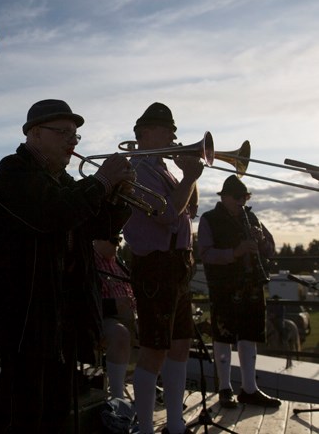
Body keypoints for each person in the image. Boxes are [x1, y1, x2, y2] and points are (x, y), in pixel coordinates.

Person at [0, 99, 133, 433]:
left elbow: (99, 225)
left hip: (60, 318)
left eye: (76, 135)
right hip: (25, 316)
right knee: (20, 412)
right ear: (35, 134)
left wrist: (120, 196)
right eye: (63, 132)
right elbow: (50, 215)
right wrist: (102, 183)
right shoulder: (13, 169)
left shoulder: (63, 181)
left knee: (56, 412)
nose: (73, 141)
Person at [122, 102, 204, 434]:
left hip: (177, 264)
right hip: (156, 266)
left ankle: (174, 423)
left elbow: (190, 208)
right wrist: (188, 177)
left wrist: (190, 178)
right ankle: (144, 427)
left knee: (180, 343)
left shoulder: (161, 168)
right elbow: (168, 214)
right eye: (166, 129)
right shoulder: (138, 170)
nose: (174, 135)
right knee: (155, 348)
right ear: (145, 133)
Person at [198, 175, 280, 409]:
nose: (242, 202)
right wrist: (235, 252)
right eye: (237, 198)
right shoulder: (209, 219)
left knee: (249, 336)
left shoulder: (250, 217)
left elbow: (270, 250)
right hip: (224, 286)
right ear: (224, 197)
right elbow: (204, 254)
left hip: (251, 285)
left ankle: (249, 389)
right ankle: (225, 388)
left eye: (244, 198)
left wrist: (261, 240)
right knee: (223, 337)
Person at [94, 237, 137, 400]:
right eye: (112, 240)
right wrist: (113, 305)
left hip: (129, 318)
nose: (118, 243)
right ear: (98, 240)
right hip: (103, 319)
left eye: (118, 239)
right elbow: (83, 301)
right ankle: (117, 397)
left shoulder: (118, 262)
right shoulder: (90, 263)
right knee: (120, 334)